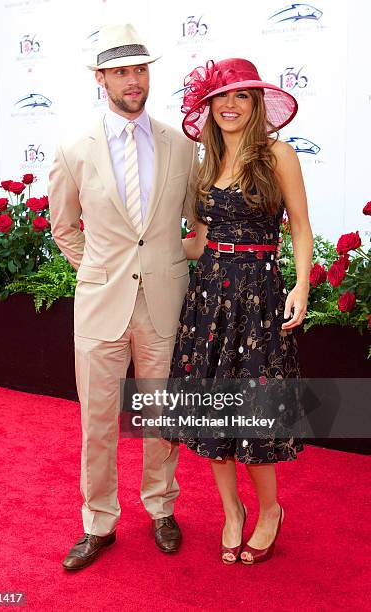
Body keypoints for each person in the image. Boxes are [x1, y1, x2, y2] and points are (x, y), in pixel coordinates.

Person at [48, 23, 198, 570]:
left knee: (162, 414)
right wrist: (97, 270)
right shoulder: (72, 148)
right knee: (98, 419)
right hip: (100, 304)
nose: (133, 81)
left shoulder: (181, 144)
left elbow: (196, 221)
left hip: (164, 301)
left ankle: (161, 507)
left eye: (140, 69)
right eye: (121, 71)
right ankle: (98, 523)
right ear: (101, 78)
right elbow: (63, 226)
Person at [164, 58, 313, 564]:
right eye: (220, 97)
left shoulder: (278, 155)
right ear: (208, 106)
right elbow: (200, 241)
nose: (229, 105)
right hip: (208, 297)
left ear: (256, 105)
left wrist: (301, 285)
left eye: (241, 96)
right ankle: (232, 511)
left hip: (258, 297)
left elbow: (299, 228)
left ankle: (270, 510)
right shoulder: (204, 162)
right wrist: (138, 242)